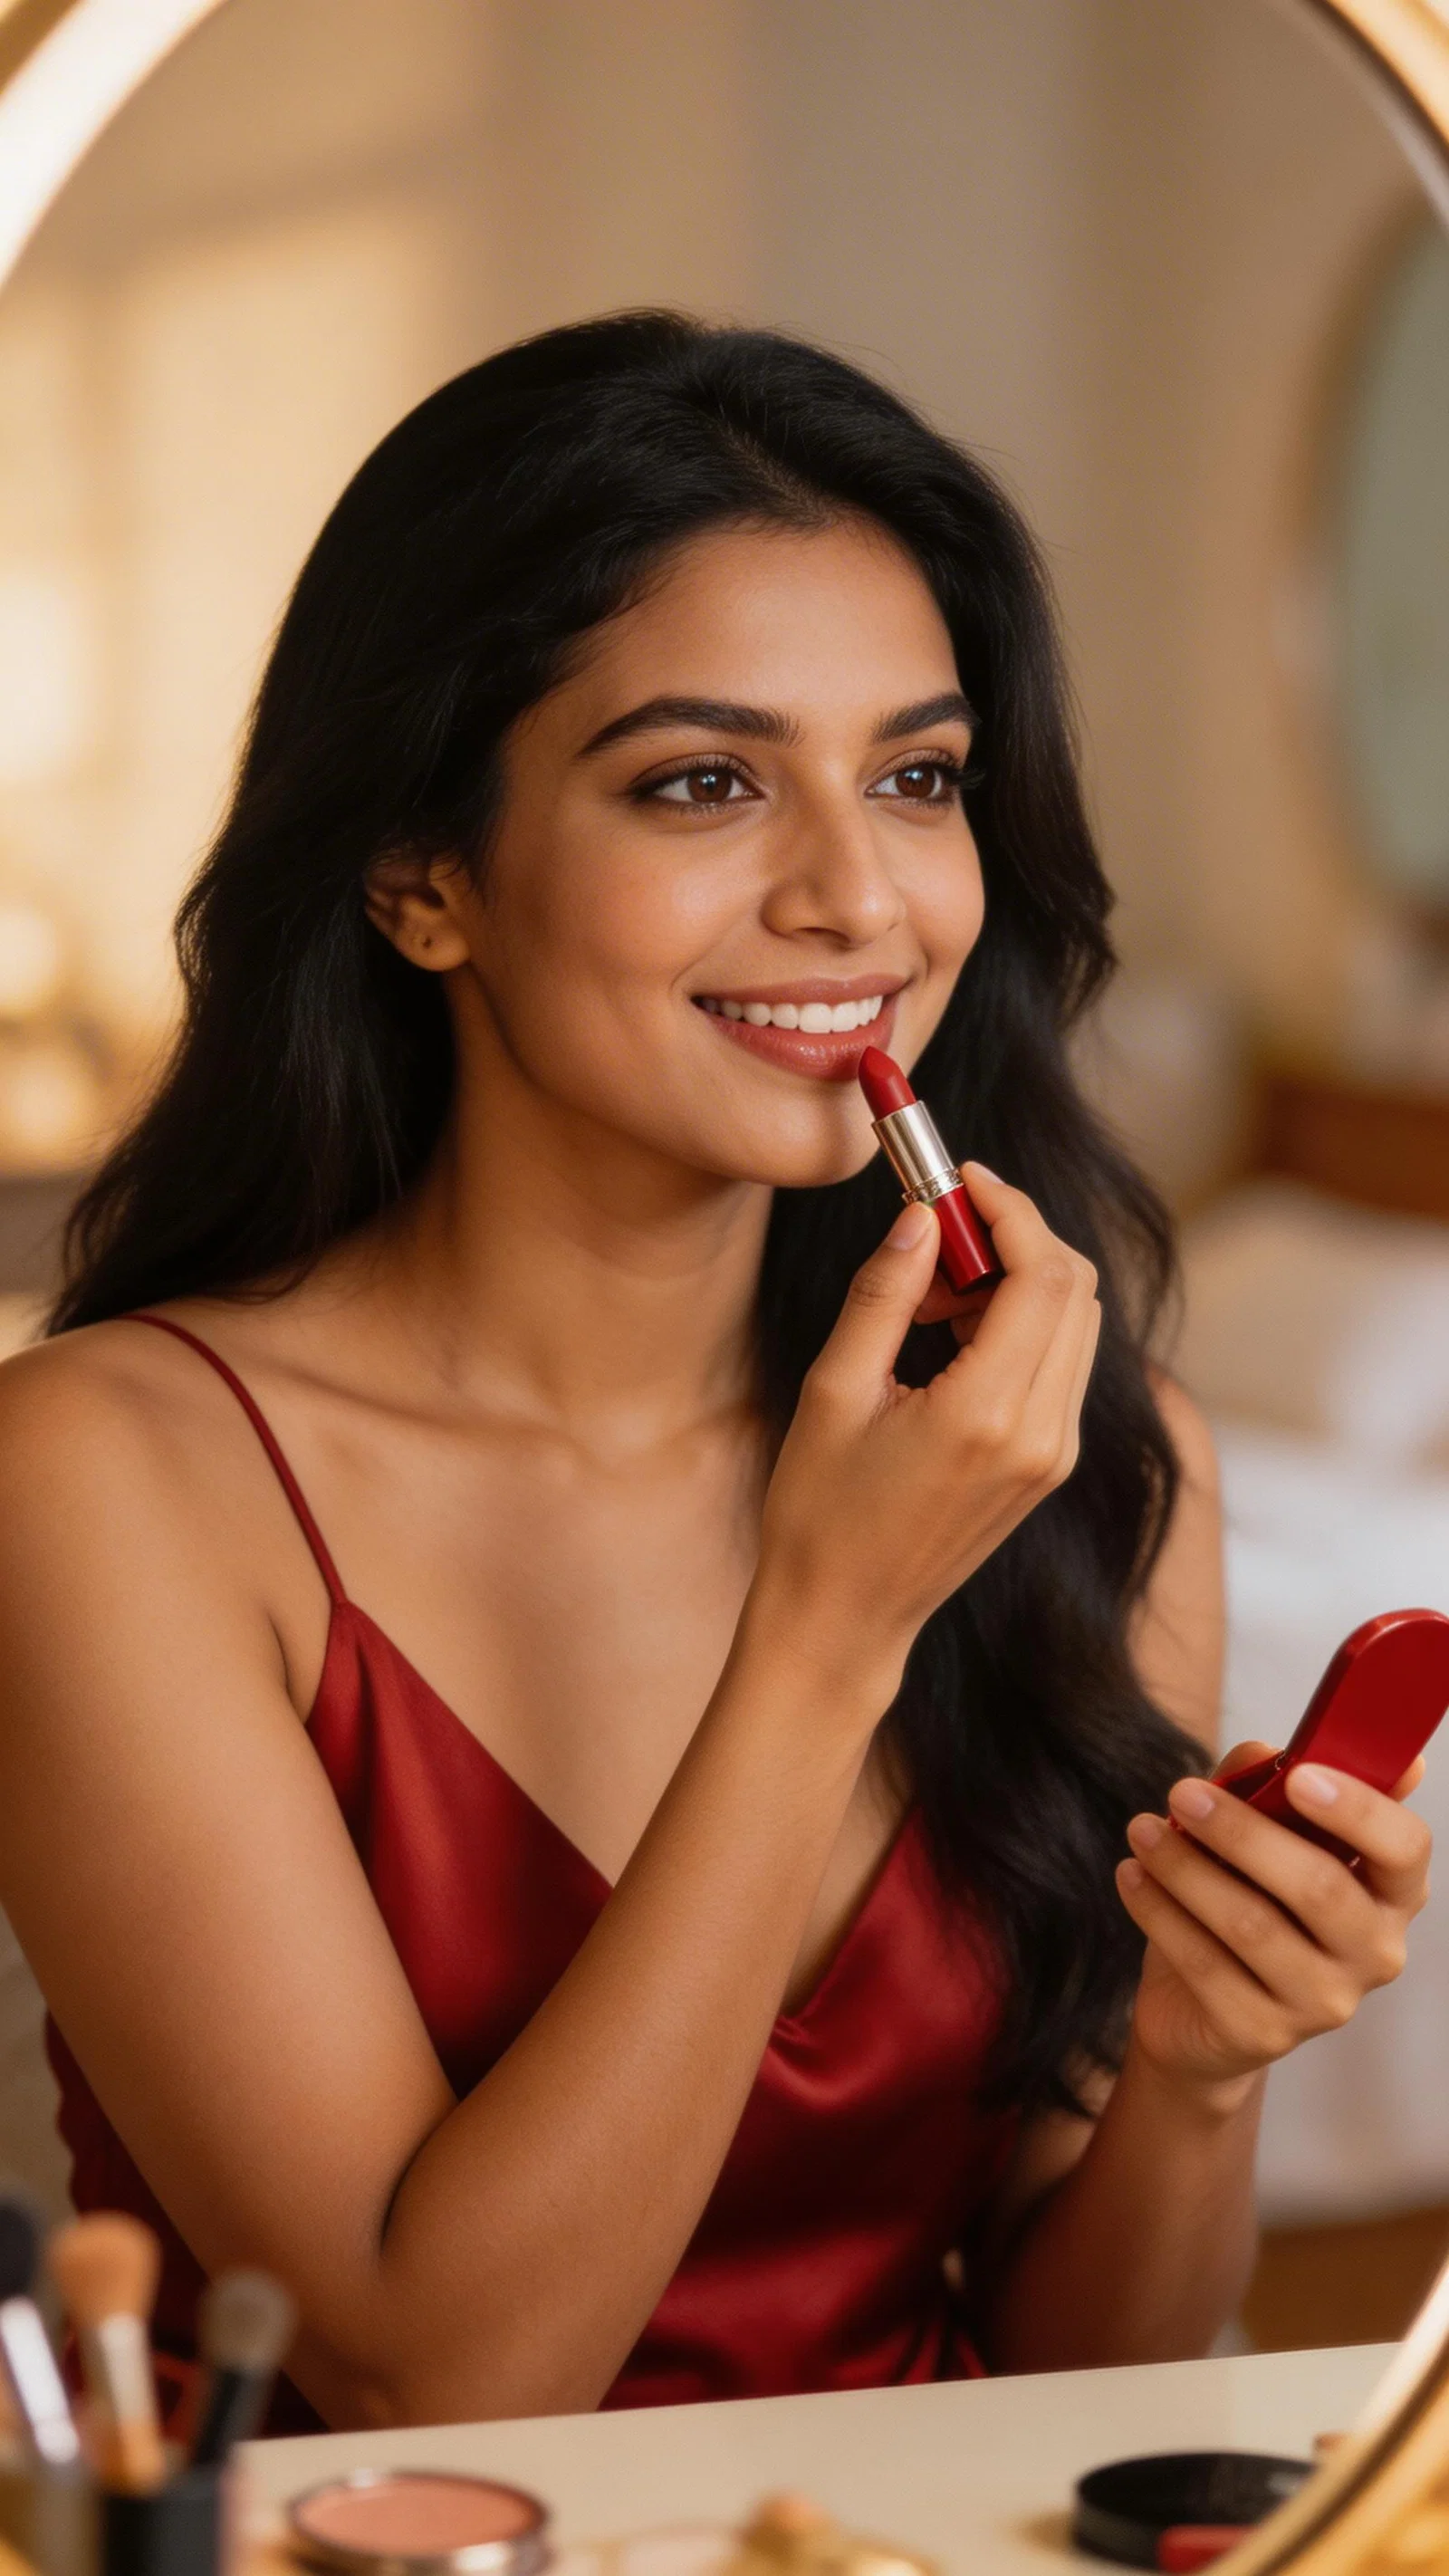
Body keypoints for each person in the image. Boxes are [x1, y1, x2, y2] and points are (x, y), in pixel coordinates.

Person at [0, 316, 1428, 2433]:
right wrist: (828, 1628)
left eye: (918, 779)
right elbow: (434, 2386)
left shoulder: (1094, 1468)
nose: (857, 898)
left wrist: (1200, 2074)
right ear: (419, 878)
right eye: (701, 781)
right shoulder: (103, 1476)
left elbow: (1070, 2395)